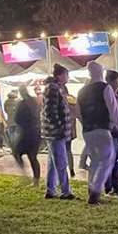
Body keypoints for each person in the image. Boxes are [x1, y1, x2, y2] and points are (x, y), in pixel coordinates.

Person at [79, 61, 118, 205]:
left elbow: (78, 112)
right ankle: (95, 192)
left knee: (95, 161)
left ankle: (91, 188)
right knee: (107, 160)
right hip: (102, 128)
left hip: (87, 130)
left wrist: (85, 124)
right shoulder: (105, 88)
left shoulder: (82, 91)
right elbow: (113, 109)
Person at [42, 65, 75, 200]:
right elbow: (51, 111)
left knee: (53, 162)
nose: (68, 77)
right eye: (66, 74)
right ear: (60, 75)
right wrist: (60, 126)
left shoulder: (55, 88)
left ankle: (51, 189)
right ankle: (65, 191)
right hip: (55, 133)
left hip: (54, 132)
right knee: (61, 162)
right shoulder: (53, 89)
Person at [12, 85, 42, 187]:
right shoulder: (34, 102)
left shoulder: (22, 103)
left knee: (16, 152)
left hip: (26, 132)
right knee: (33, 157)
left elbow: (17, 118)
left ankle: (25, 175)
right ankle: (36, 180)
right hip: (36, 132)